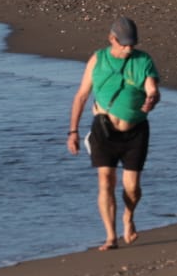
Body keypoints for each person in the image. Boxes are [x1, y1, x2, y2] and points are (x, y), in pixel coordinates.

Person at [67, 16, 159, 250]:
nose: (129, 49)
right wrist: (73, 131)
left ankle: (128, 217)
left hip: (135, 131)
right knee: (105, 181)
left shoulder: (143, 60)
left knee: (132, 188)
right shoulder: (98, 60)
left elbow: (152, 88)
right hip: (104, 129)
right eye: (124, 44)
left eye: (132, 44)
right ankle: (110, 236)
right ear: (112, 39)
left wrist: (152, 98)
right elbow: (81, 96)